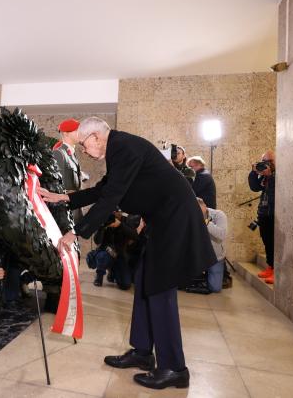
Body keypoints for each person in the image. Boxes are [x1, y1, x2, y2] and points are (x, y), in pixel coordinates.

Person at [39, 117, 217, 390]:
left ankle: (174, 368)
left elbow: (111, 198)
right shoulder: (120, 149)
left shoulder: (122, 147)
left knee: (160, 289)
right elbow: (104, 190)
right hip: (162, 220)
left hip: (175, 219)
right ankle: (143, 352)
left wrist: (78, 232)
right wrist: (63, 197)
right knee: (145, 280)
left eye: (85, 144)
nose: (85, 151)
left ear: (97, 136)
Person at [87, 211, 141, 290]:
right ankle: (99, 275)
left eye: (117, 212)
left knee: (125, 285)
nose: (115, 214)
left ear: (121, 212)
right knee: (102, 256)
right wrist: (102, 227)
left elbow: (135, 236)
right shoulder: (105, 220)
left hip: (120, 256)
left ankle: (112, 272)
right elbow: (97, 241)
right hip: (105, 253)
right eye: (113, 212)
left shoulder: (126, 221)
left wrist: (120, 225)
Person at [248, 151, 276, 284]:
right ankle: (271, 267)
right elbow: (254, 187)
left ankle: (277, 271)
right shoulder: (265, 176)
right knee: (267, 242)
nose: (267, 163)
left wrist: (270, 175)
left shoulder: (279, 175)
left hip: (274, 214)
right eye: (264, 160)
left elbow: (274, 192)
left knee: (274, 243)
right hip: (264, 212)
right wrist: (254, 172)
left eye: (269, 160)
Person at [52, 118, 84, 224]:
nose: (80, 133)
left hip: (75, 206)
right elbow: (58, 187)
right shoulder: (59, 153)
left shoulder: (71, 154)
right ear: (66, 134)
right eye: (76, 130)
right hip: (66, 210)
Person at [199, 198, 228, 292]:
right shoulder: (191, 216)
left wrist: (205, 222)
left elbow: (221, 235)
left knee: (215, 288)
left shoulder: (219, 215)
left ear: (205, 206)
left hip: (215, 257)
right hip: (198, 255)